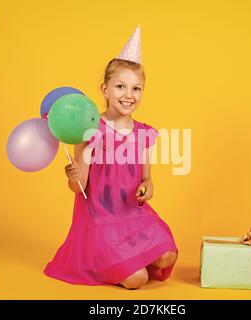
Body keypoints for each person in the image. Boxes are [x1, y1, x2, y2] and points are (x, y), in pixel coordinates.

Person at [44, 26, 178, 289]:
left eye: (136, 88)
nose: (129, 95)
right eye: (120, 86)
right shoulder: (90, 130)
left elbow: (147, 178)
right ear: (104, 89)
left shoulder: (143, 133)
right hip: (101, 220)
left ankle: (130, 259)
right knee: (137, 280)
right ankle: (118, 263)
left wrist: (147, 186)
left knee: (167, 256)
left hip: (133, 216)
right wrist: (72, 176)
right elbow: (79, 187)